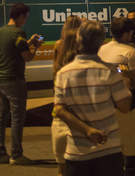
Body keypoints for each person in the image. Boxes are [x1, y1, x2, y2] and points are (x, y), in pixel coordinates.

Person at [53, 21, 132, 176]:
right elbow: (125, 106)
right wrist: (126, 83)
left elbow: (59, 110)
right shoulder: (110, 72)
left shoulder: (64, 73)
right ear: (101, 43)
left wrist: (87, 130)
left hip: (77, 152)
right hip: (108, 149)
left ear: (78, 40)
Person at [0, 3, 43, 165]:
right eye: (25, 17)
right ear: (20, 16)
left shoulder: (1, 32)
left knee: (0, 117)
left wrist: (28, 42)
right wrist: (35, 47)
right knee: (17, 118)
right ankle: (16, 154)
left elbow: (14, 48)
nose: (25, 21)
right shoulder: (18, 32)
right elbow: (27, 57)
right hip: (14, 80)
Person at [98, 17, 135, 176]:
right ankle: (131, 170)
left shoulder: (102, 49)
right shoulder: (129, 52)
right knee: (131, 135)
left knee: (112, 137)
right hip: (126, 101)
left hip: (105, 101)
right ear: (126, 33)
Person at [52, 16, 83, 176]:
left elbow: (55, 68)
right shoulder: (81, 45)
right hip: (78, 98)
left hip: (62, 95)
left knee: (62, 163)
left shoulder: (59, 44)